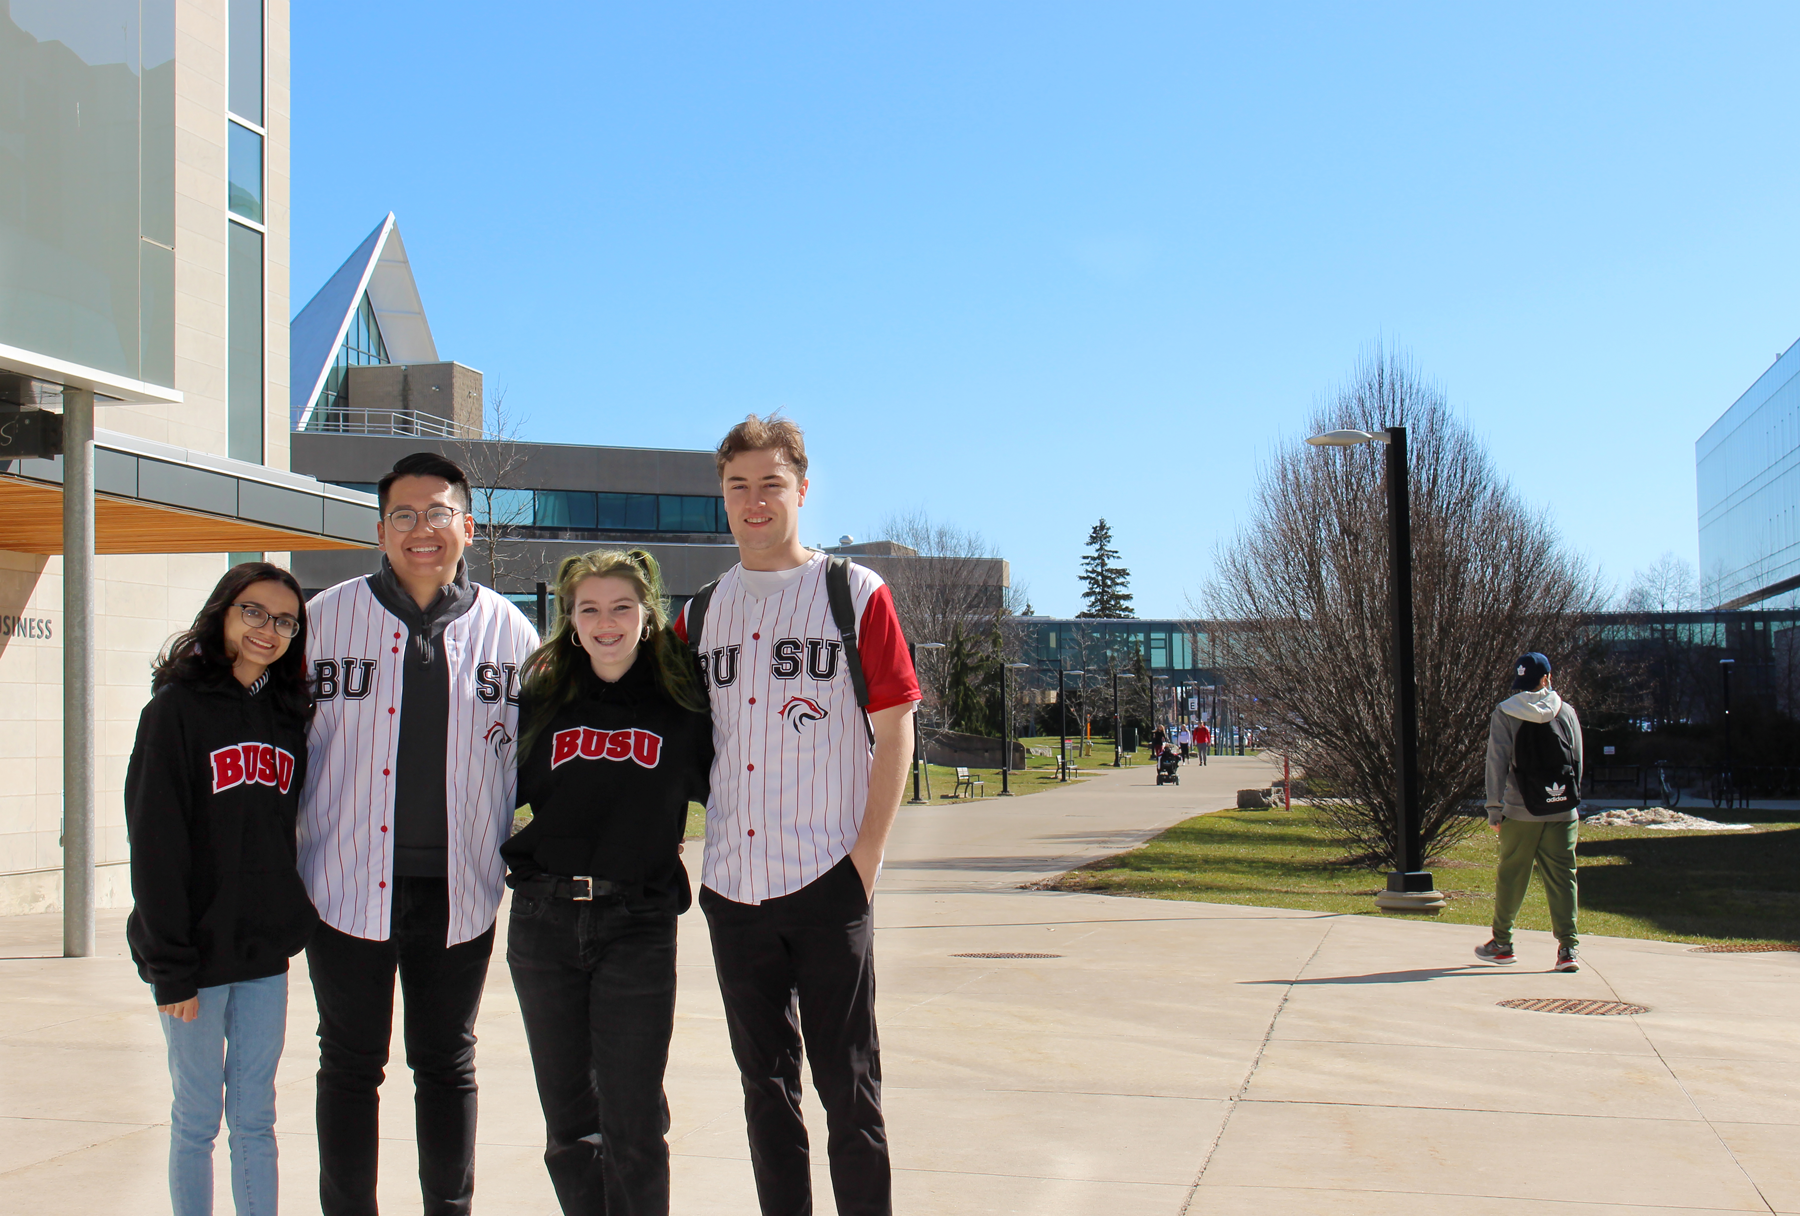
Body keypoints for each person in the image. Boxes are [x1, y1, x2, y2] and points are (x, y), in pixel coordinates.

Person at [674, 415, 920, 1216]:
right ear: (722, 495)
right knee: (765, 1090)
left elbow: (894, 730)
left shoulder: (853, 594)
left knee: (849, 1090)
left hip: (827, 879)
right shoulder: (698, 615)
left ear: (802, 491)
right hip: (733, 888)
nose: (754, 501)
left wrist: (865, 863)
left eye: (770, 483)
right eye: (738, 485)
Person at [298, 451, 540, 1215]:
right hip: (341, 885)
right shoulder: (325, 620)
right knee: (349, 1065)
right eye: (403, 515)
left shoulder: (511, 632)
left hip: (459, 893)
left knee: (445, 1066)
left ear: (467, 526)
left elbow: (550, 761)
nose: (421, 530)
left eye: (438, 513)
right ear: (380, 531)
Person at [504, 549, 712, 1216]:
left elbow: (737, 785)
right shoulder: (542, 699)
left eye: (622, 606)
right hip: (544, 924)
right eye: (588, 608)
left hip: (637, 924)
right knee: (568, 1125)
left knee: (633, 1122)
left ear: (649, 614)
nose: (607, 621)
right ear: (569, 620)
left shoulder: (683, 706)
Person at [125, 561, 320, 1216]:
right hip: (195, 964)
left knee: (257, 1118)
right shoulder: (174, 712)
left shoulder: (290, 715)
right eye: (255, 612)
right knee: (196, 1119)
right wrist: (170, 967)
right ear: (224, 614)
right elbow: (154, 845)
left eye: (285, 621)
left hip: (264, 956)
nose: (269, 629)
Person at [1475, 652, 1584, 972]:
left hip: (1521, 811)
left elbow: (1496, 763)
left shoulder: (1506, 712)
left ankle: (1503, 944)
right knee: (1564, 878)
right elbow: (1577, 759)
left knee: (1512, 875)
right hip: (1563, 810)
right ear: (1547, 678)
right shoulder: (1567, 712)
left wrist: (1495, 808)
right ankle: (1568, 950)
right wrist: (1569, 800)